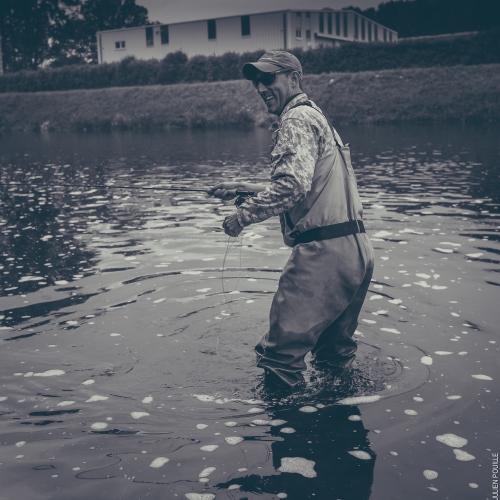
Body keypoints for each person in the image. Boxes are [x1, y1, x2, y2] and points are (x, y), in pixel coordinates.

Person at [207, 51, 374, 389]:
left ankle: (288, 433)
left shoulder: (294, 119)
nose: (260, 86)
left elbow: (293, 187)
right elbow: (309, 183)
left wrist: (242, 216)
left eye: (269, 78)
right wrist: (244, 187)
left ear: (294, 79)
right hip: (357, 252)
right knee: (333, 357)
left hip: (323, 255)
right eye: (256, 81)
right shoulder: (317, 117)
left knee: (278, 358)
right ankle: (339, 430)